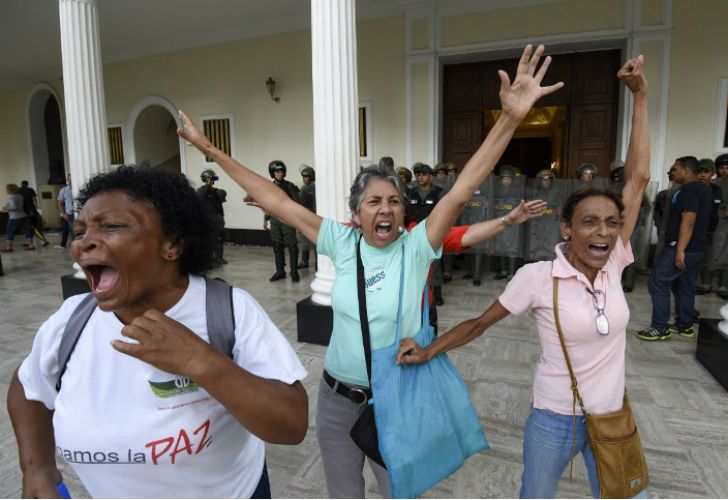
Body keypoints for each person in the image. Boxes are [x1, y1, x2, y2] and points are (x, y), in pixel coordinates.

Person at [178, 43, 563, 498]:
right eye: (374, 202)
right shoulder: (340, 242)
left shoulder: (417, 247)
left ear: (404, 212)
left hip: (395, 396)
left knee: (399, 488)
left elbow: (462, 189)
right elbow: (275, 199)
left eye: (394, 201)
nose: (386, 210)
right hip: (336, 397)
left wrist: (510, 119)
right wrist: (208, 149)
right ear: (356, 213)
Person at [396, 55, 650, 499]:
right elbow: (479, 324)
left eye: (612, 222)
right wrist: (429, 350)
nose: (605, 231)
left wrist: (641, 96)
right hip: (554, 418)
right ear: (566, 229)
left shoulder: (614, 261)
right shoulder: (537, 277)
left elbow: (639, 178)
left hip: (612, 415)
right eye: (590, 222)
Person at [7, 166, 308, 498]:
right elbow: (28, 386)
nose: (85, 243)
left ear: (172, 244)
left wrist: (200, 361)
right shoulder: (72, 319)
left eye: (111, 226)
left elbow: (291, 425)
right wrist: (37, 468)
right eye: (80, 232)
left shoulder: (228, 310)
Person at [636, 155, 713, 340]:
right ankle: (684, 325)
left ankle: (660, 328)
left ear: (686, 171)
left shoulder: (688, 191)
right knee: (684, 285)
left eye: (675, 169)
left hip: (683, 248)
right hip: (697, 249)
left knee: (657, 282)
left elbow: (689, 222)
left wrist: (679, 250)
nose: (673, 172)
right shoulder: (704, 190)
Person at [408, 163, 446, 305]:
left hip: (433, 232)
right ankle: (419, 292)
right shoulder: (411, 193)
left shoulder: (439, 192)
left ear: (430, 176)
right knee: (416, 264)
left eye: (423, 174)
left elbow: (444, 213)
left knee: (434, 264)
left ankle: (437, 293)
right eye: (418, 175)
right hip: (416, 233)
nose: (420, 177)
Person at [263, 160, 301, 282]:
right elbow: (267, 204)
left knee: (292, 245)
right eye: (277, 172)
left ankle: (294, 272)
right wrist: (266, 219)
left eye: (281, 171)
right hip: (274, 219)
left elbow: (297, 204)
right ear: (272, 173)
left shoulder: (289, 186)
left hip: (287, 219)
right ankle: (280, 271)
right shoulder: (269, 187)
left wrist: (296, 220)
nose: (280, 174)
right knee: (277, 245)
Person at [694, 159, 723, 294]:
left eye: (706, 172)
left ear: (712, 174)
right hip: (694, 229)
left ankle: (707, 285)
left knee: (708, 259)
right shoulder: (692, 188)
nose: (702, 175)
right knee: (693, 259)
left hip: (714, 230)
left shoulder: (718, 190)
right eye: (699, 171)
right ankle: (692, 284)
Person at [197, 169, 228, 265]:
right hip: (208, 219)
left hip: (217, 219)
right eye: (211, 178)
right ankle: (209, 258)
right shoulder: (202, 190)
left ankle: (219, 258)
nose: (213, 180)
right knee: (208, 239)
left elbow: (220, 203)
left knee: (219, 238)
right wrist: (208, 183)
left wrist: (222, 218)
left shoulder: (216, 191)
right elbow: (200, 196)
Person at [2, 184, 34, 252]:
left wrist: (6, 208)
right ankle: (31, 245)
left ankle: (9, 247)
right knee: (26, 231)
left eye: (7, 189)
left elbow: (14, 208)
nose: (6, 190)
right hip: (23, 216)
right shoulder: (20, 196)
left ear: (10, 189)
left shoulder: (12, 198)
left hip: (14, 217)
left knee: (10, 231)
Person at [17, 180, 50, 247]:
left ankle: (44, 240)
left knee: (33, 228)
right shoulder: (30, 189)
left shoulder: (19, 190)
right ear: (27, 184)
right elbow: (34, 200)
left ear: (21, 184)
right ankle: (29, 241)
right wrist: (36, 209)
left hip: (25, 212)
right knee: (31, 227)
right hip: (32, 211)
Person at [297, 165, 317, 269]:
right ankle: (305, 261)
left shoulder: (309, 188)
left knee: (313, 241)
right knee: (305, 240)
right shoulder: (304, 188)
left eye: (307, 176)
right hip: (308, 217)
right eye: (304, 176)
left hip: (310, 216)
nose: (305, 179)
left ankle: (308, 261)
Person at [715, 154, 728, 299]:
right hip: (715, 224)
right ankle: (705, 283)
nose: (724, 171)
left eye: (727, 168)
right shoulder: (714, 184)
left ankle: (724, 285)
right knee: (709, 253)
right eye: (722, 168)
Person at [56, 174, 74, 249]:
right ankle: (63, 244)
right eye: (68, 179)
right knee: (66, 229)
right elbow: (60, 203)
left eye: (71, 179)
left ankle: (74, 244)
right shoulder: (64, 190)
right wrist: (63, 214)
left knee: (75, 230)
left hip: (79, 213)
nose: (70, 181)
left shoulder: (79, 188)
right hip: (68, 213)